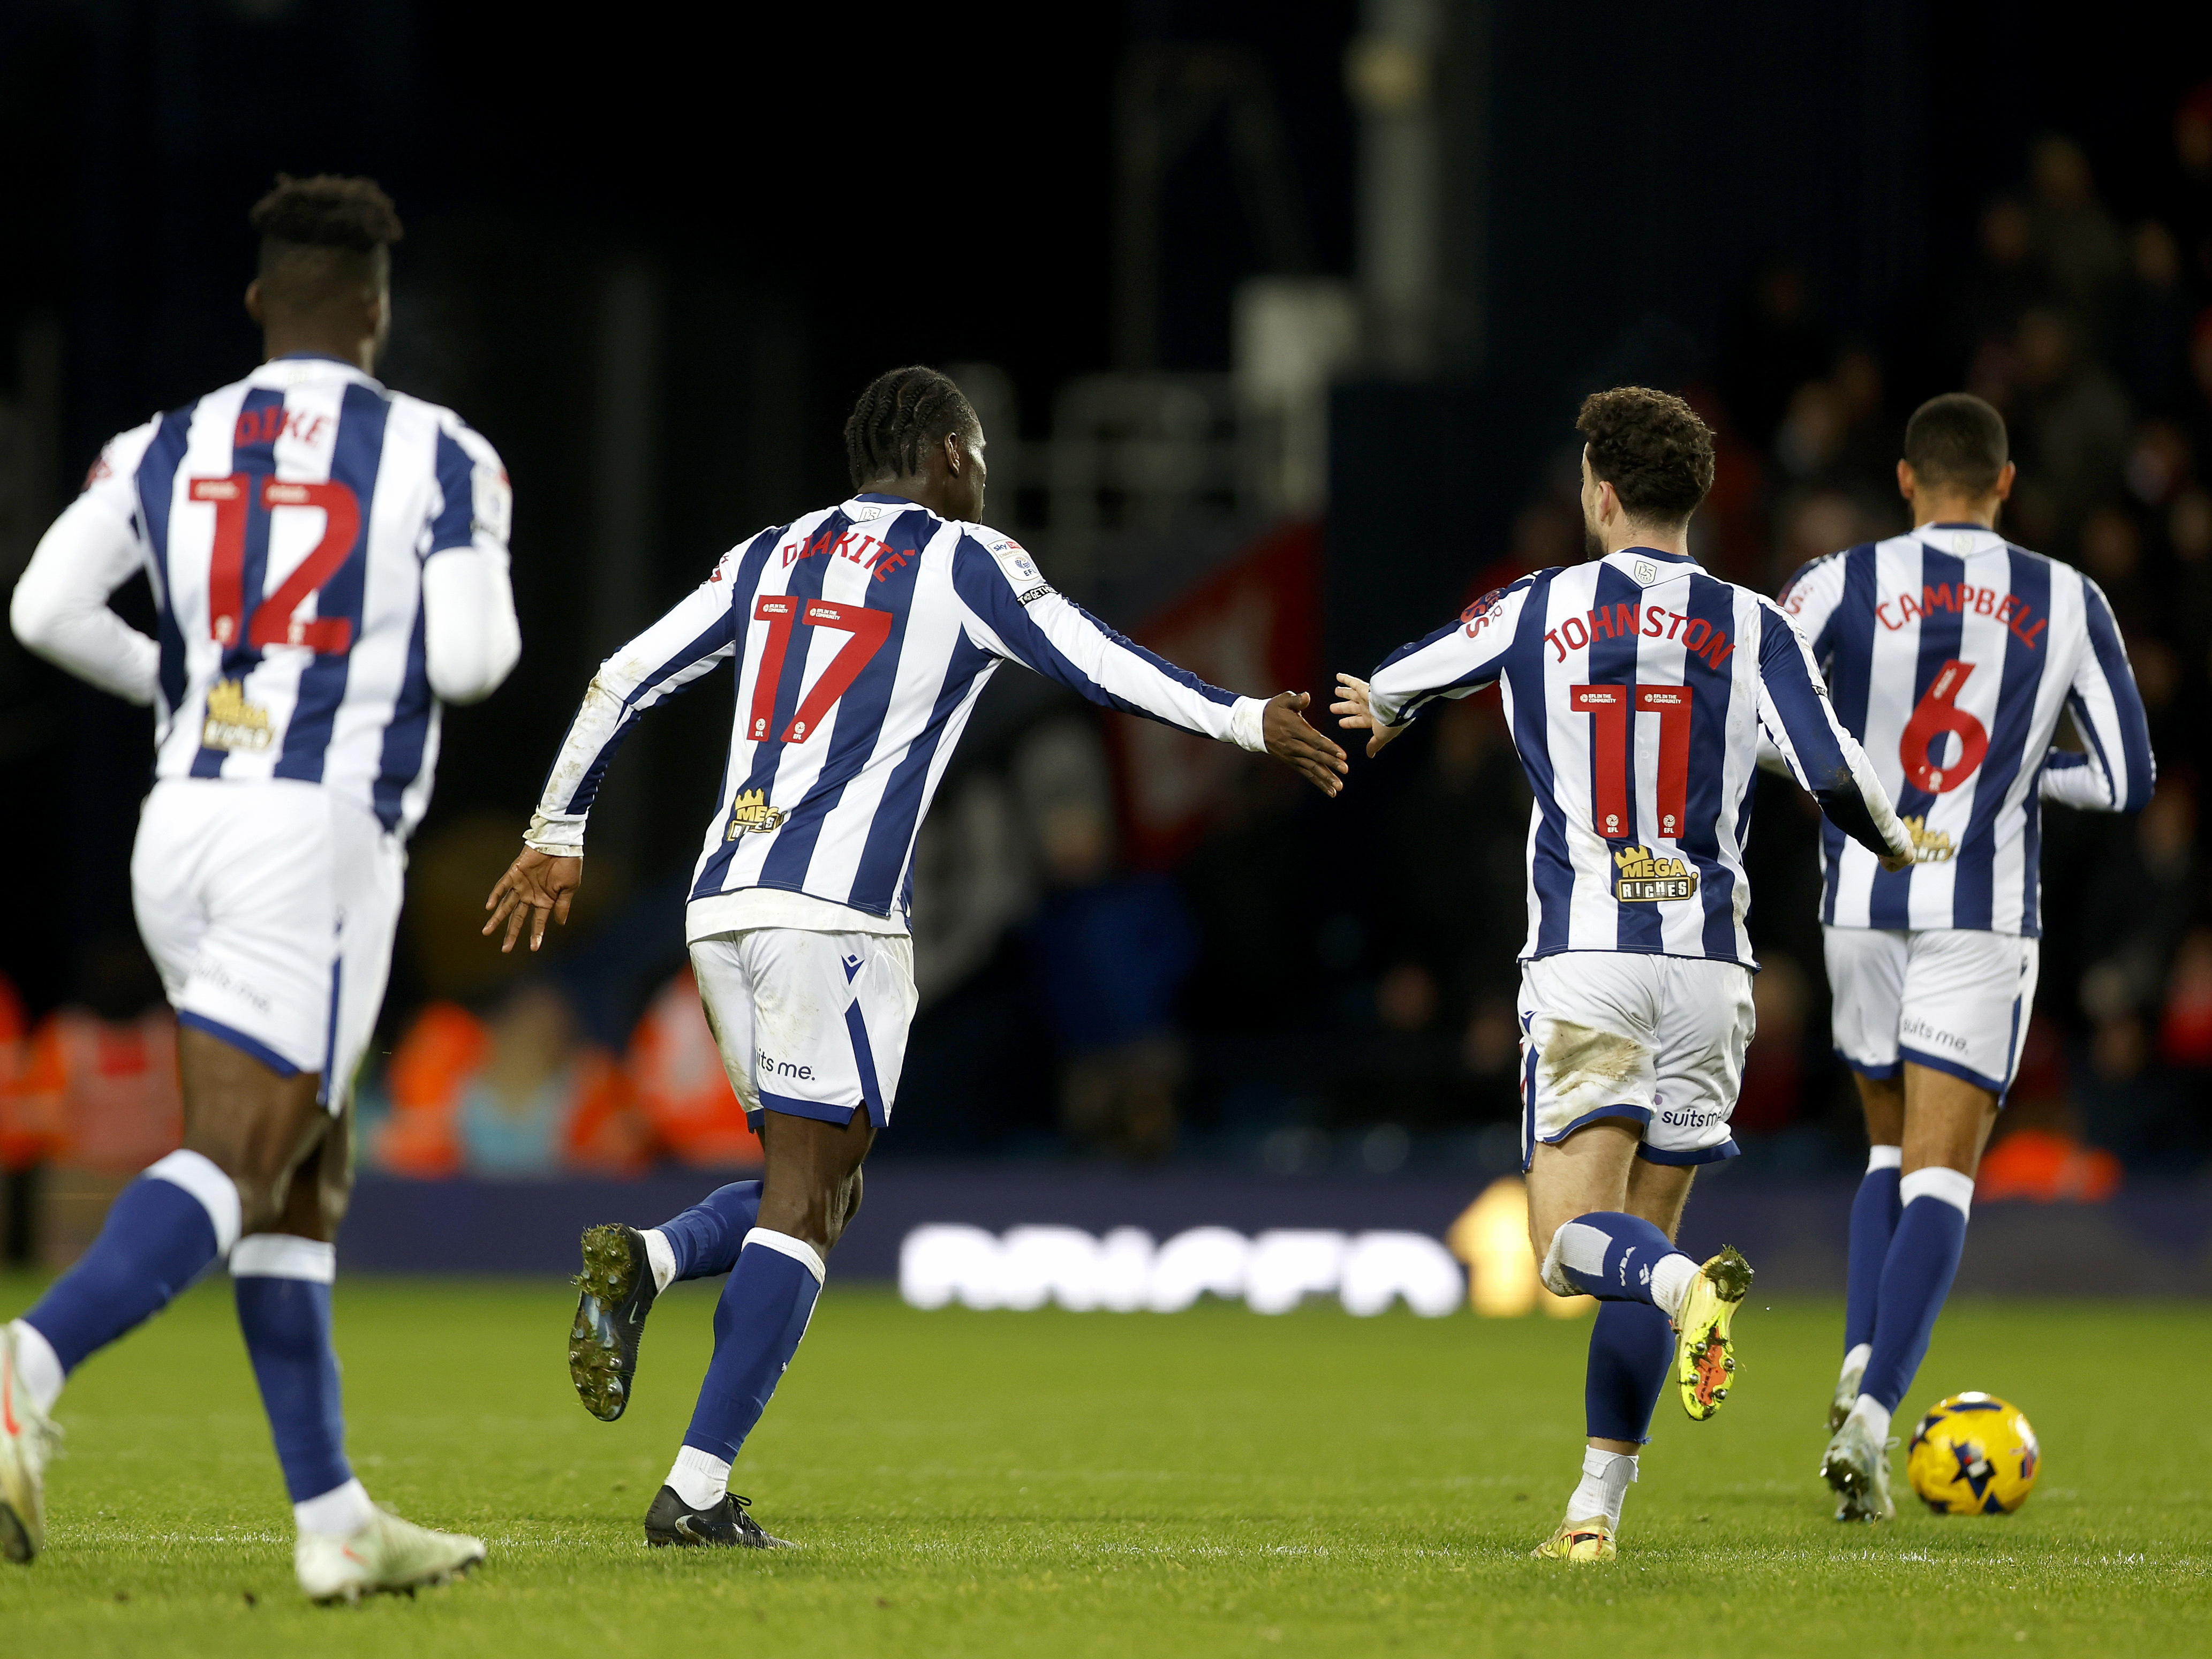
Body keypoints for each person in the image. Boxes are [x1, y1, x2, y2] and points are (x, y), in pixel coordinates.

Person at [481, 365, 1346, 1549]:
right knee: (805, 1193)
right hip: (831, 913)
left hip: (721, 904)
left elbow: (621, 675)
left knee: (825, 1179)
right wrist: (1245, 719)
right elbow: (1095, 659)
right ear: (946, 453)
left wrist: (557, 833)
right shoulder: (962, 560)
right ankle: (691, 1491)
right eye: (979, 454)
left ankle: (648, 1256)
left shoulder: (770, 554)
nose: (983, 477)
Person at [2, 175, 517, 1598]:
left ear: (255, 306)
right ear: (376, 309)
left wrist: (182, 686)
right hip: (321, 833)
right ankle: (24, 1364)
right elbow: (473, 665)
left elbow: (41, 609)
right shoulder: (439, 452)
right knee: (245, 1147)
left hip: (184, 822)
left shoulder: (164, 443)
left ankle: (334, 1516)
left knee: (300, 1171)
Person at [1332, 387, 1916, 1563]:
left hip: (1587, 960)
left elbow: (1398, 679)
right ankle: (1591, 1518)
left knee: (1565, 1247)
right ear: (1694, 499)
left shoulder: (1532, 604)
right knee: (1638, 1238)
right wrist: (1903, 844)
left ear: (1594, 490)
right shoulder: (1752, 622)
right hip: (1710, 971)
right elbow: (1835, 777)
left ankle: (1681, 1292)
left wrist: (1378, 709)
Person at [1772, 392, 2153, 1521]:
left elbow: (1764, 715)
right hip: (1978, 910)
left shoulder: (1836, 582)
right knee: (1944, 1170)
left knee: (1883, 1151)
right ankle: (1879, 1411)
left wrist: (1843, 788)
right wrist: (2024, 777)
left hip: (1858, 903)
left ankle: (1854, 1363)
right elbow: (2127, 775)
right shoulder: (2065, 597)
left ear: (1903, 480)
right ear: (2005, 482)